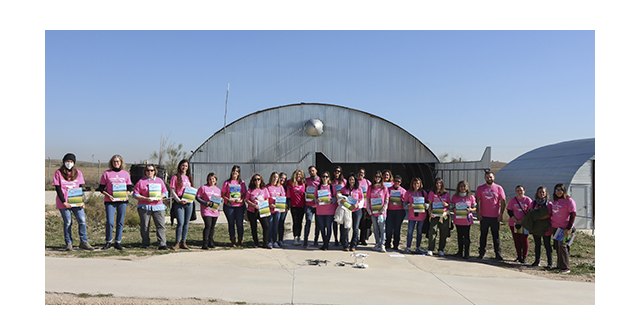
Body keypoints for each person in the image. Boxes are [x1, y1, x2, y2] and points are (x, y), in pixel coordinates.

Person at [52, 153, 94, 251]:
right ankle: (69, 243)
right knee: (68, 222)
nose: (69, 163)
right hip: (64, 202)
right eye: (67, 161)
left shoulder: (78, 173)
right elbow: (58, 188)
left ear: (74, 163)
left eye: (71, 161)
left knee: (82, 220)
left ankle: (83, 242)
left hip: (76, 202)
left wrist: (81, 201)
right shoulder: (58, 173)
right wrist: (63, 202)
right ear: (64, 162)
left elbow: (80, 188)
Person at [96, 154, 133, 251]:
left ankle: (118, 241)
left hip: (122, 201)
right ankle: (108, 241)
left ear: (121, 162)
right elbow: (101, 188)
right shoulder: (106, 173)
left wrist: (127, 194)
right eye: (114, 161)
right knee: (110, 222)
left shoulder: (125, 174)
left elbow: (129, 187)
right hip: (110, 201)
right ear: (111, 163)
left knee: (120, 221)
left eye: (118, 161)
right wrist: (109, 196)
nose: (116, 163)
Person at [133, 164, 170, 250]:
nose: (150, 172)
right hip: (145, 207)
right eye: (148, 170)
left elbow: (165, 192)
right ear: (145, 171)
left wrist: (160, 197)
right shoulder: (141, 182)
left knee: (160, 225)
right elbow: (135, 194)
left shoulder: (160, 181)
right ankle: (145, 243)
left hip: (158, 207)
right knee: (145, 226)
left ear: (155, 171)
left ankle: (162, 243)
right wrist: (145, 198)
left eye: (152, 170)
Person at [476, 170, 506, 260]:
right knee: (483, 236)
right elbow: (477, 201)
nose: (489, 178)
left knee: (496, 236)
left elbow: (503, 201)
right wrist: (478, 213)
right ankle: (481, 253)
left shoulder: (499, 188)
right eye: (487, 177)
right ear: (485, 178)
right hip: (484, 216)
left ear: (494, 177)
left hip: (495, 217)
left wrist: (501, 214)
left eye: (491, 177)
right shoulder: (480, 188)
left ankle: (498, 254)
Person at [549, 183, 576, 274]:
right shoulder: (555, 201)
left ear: (564, 190)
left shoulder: (569, 200)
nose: (558, 192)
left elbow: (573, 214)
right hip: (556, 227)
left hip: (564, 228)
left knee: (563, 246)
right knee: (557, 247)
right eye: (557, 190)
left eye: (560, 190)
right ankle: (559, 265)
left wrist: (568, 228)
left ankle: (565, 267)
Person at [170, 159, 195, 250]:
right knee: (180, 222)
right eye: (183, 165)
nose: (184, 167)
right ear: (180, 166)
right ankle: (177, 242)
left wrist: (190, 199)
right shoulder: (175, 177)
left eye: (186, 166)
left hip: (189, 203)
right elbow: (172, 190)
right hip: (179, 202)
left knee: (186, 223)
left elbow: (191, 190)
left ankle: (183, 242)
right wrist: (178, 200)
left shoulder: (189, 178)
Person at [336, 173, 364, 251]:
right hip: (347, 210)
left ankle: (353, 245)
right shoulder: (344, 189)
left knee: (355, 228)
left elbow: (362, 199)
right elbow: (340, 198)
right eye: (350, 179)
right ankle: (345, 245)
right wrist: (341, 200)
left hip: (356, 210)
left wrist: (357, 205)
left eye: (353, 179)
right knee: (346, 228)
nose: (351, 181)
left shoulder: (359, 189)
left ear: (355, 180)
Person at [507, 185, 533, 263]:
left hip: (524, 223)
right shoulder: (513, 200)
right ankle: (519, 256)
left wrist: (522, 220)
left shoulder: (528, 200)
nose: (519, 192)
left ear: (524, 191)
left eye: (521, 190)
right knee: (517, 240)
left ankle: (524, 257)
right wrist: (515, 220)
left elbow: (530, 212)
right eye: (518, 190)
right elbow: (509, 211)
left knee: (524, 240)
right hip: (514, 223)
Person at [221, 165, 247, 247]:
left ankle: (240, 239)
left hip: (239, 206)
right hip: (229, 206)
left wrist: (242, 200)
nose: (235, 173)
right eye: (234, 171)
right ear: (231, 172)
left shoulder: (242, 183)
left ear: (239, 173)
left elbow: (245, 194)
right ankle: (232, 240)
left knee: (239, 223)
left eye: (237, 171)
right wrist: (228, 199)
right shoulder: (227, 182)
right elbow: (222, 194)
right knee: (231, 223)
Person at [402, 177, 428, 254]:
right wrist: (408, 206)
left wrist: (425, 205)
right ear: (412, 184)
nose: (416, 185)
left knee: (419, 232)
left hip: (421, 215)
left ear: (420, 184)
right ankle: (408, 247)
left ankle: (418, 247)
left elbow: (428, 203)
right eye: (414, 183)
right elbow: (404, 204)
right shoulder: (408, 193)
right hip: (412, 215)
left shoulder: (423, 193)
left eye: (418, 183)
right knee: (410, 231)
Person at [451, 180, 476, 259]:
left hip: (467, 220)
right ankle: (460, 252)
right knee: (459, 236)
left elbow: (475, 207)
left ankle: (467, 253)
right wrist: (454, 209)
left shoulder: (471, 197)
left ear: (467, 187)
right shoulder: (455, 197)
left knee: (466, 236)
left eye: (464, 186)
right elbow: (452, 206)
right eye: (461, 186)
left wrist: (471, 210)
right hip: (458, 219)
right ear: (458, 187)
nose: (462, 188)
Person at [196, 172, 222, 249]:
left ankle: (211, 241)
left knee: (212, 227)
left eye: (213, 179)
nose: (211, 180)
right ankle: (205, 243)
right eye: (210, 179)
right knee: (208, 225)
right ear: (207, 180)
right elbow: (197, 197)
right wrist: (205, 203)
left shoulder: (218, 190)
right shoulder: (203, 187)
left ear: (216, 180)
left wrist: (219, 205)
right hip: (206, 210)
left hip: (214, 210)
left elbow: (219, 200)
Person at [245, 174, 271, 248]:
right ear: (253, 181)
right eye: (255, 179)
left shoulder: (264, 189)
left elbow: (267, 198)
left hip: (262, 209)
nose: (257, 181)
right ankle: (256, 242)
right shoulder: (250, 190)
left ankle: (265, 242)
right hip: (252, 210)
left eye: (258, 179)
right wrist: (254, 205)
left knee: (266, 226)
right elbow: (247, 199)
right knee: (254, 227)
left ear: (261, 180)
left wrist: (264, 203)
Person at [427, 177, 451, 256]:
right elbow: (430, 204)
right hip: (434, 215)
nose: (438, 185)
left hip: (444, 215)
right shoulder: (432, 193)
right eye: (437, 183)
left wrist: (446, 204)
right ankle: (430, 249)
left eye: (440, 183)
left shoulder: (446, 194)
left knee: (443, 233)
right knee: (432, 232)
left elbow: (449, 205)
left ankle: (441, 249)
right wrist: (430, 213)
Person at [530, 186, 553, 268]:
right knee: (537, 244)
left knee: (547, 245)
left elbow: (550, 215)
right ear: (537, 193)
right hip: (536, 227)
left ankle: (550, 262)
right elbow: (530, 213)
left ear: (546, 193)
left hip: (546, 227)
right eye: (540, 192)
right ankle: (537, 261)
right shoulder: (533, 203)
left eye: (543, 192)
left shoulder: (549, 204)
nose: (541, 194)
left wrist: (539, 217)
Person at [367, 171, 390, 252]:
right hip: (373, 211)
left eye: (379, 177)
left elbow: (387, 199)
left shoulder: (384, 188)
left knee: (382, 228)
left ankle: (382, 244)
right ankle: (377, 243)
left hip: (381, 212)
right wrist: (369, 209)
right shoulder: (370, 187)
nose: (377, 178)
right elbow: (368, 199)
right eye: (376, 177)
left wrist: (383, 209)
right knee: (375, 228)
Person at [315, 171, 337, 250]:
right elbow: (315, 198)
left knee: (328, 227)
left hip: (329, 211)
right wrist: (317, 200)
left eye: (326, 176)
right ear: (321, 178)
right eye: (323, 176)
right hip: (320, 211)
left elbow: (335, 197)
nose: (325, 178)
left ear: (329, 178)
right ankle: (324, 242)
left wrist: (332, 200)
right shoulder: (318, 187)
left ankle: (326, 244)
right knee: (322, 228)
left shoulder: (332, 187)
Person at [385, 175, 406, 251]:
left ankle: (396, 244)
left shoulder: (403, 191)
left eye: (399, 181)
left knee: (397, 228)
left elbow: (405, 201)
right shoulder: (388, 189)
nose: (397, 183)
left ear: (401, 182)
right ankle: (387, 243)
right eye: (395, 181)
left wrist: (401, 200)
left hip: (399, 211)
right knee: (389, 228)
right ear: (393, 181)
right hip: (390, 210)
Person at [266, 172, 286, 248]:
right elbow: (265, 197)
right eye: (274, 177)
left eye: (277, 177)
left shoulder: (280, 187)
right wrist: (269, 204)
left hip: (277, 210)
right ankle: (269, 241)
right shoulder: (267, 187)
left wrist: (278, 205)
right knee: (270, 225)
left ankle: (275, 241)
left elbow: (282, 197)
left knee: (276, 226)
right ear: (271, 177)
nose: (275, 178)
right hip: (269, 209)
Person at [287, 169, 306, 245]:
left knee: (300, 222)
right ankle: (295, 237)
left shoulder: (304, 184)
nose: (299, 176)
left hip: (302, 205)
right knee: (295, 221)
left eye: (300, 174)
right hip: (294, 205)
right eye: (297, 174)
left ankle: (299, 236)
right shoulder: (290, 183)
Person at [303, 165, 320, 248]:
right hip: (308, 205)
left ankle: (316, 241)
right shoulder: (306, 180)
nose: (311, 172)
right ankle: (305, 241)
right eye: (310, 171)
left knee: (318, 224)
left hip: (318, 206)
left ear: (316, 171)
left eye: (313, 170)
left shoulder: (321, 180)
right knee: (308, 222)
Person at [331, 166, 346, 246]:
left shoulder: (344, 181)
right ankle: (336, 239)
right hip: (334, 204)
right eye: (336, 171)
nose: (337, 173)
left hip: (342, 204)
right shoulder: (332, 182)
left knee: (342, 222)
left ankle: (342, 238)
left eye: (339, 171)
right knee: (335, 222)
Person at [356, 168, 372, 246]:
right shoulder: (355, 182)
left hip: (365, 206)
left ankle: (363, 239)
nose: (360, 174)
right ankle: (356, 238)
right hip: (357, 206)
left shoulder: (367, 182)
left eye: (362, 173)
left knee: (364, 224)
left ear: (364, 174)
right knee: (357, 224)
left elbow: (371, 193)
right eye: (359, 172)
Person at [277, 172, 288, 246]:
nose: (283, 179)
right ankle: (274, 239)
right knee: (275, 223)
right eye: (281, 177)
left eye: (284, 178)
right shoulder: (276, 186)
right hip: (276, 206)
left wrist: (287, 206)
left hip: (284, 207)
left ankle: (280, 239)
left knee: (281, 222)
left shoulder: (286, 187)